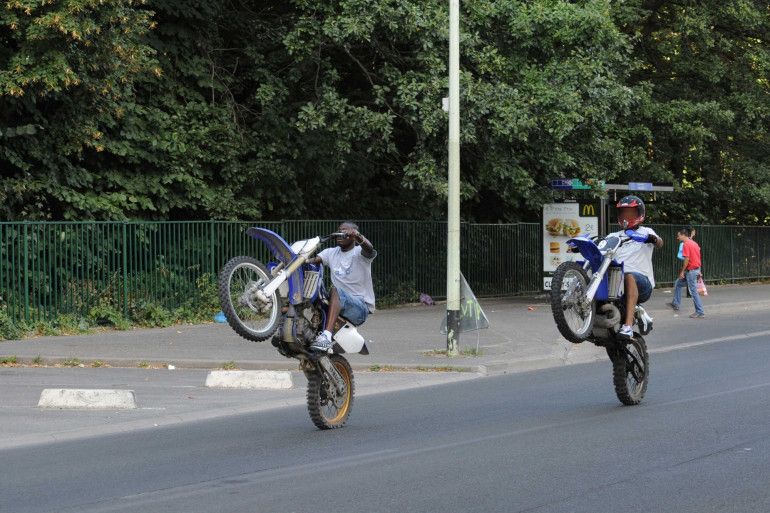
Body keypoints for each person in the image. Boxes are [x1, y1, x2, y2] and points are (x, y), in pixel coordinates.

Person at [307, 221, 377, 352]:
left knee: (335, 290)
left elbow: (369, 249)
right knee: (316, 295)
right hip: (340, 302)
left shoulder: (360, 254)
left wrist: (358, 236)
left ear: (352, 235)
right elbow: (311, 262)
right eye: (339, 231)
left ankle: (326, 337)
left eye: (345, 232)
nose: (340, 234)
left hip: (360, 307)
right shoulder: (330, 253)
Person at [610, 195, 664, 340]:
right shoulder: (614, 235)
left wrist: (652, 239)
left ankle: (627, 326)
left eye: (631, 213)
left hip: (642, 284)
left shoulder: (646, 231)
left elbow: (659, 243)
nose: (626, 216)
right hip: (618, 284)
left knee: (629, 275)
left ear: (640, 214)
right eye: (624, 213)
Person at [669, 227, 705, 318]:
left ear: (683, 235)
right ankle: (675, 303)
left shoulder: (686, 244)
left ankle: (700, 311)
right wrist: (699, 270)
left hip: (691, 271)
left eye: (679, 236)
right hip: (695, 269)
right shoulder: (695, 243)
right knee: (678, 283)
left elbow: (687, 259)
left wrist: (682, 272)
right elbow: (698, 257)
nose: (678, 238)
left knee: (693, 292)